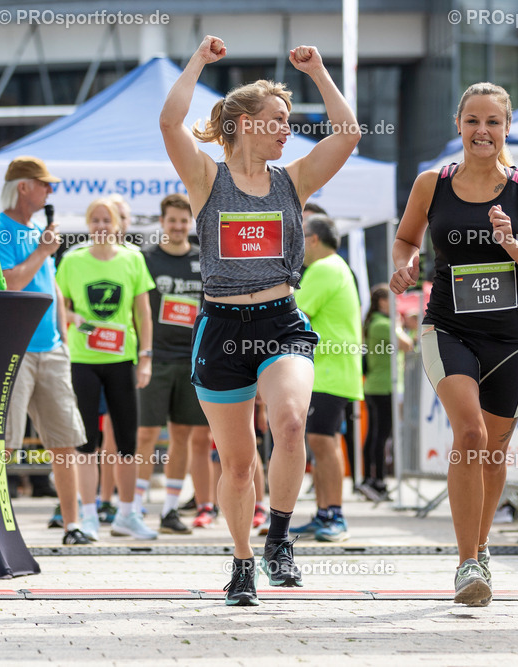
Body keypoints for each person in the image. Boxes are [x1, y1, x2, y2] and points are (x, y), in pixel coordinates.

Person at [160, 35, 359, 606]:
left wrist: (319, 72)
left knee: (292, 422)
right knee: (239, 466)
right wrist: (197, 59)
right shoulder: (206, 180)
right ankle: (242, 560)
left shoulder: (291, 182)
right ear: (243, 123)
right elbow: (170, 122)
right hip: (220, 328)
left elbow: (347, 135)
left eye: (289, 120)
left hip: (280, 322)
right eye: (276, 119)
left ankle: (279, 540)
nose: (286, 128)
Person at [390, 82, 518, 607]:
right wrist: (403, 265)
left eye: (492, 122)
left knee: (495, 447)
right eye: (472, 121)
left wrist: (512, 243)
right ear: (458, 125)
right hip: (448, 327)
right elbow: (405, 239)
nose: (481, 131)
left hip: (509, 334)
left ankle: (482, 547)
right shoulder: (430, 184)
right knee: (470, 431)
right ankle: (465, 564)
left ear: (506, 129)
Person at [0, 156, 90, 546]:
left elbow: (52, 286)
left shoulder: (34, 230)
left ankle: (73, 525)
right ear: (23, 186)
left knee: (64, 439)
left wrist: (62, 336)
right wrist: (43, 251)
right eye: (45, 184)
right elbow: (9, 283)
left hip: (50, 348)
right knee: (4, 441)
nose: (50, 191)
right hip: (14, 348)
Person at [56, 197, 157, 541]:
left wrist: (145, 357)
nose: (101, 226)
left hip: (122, 360)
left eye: (106, 220)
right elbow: (61, 309)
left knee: (127, 441)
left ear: (117, 224)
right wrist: (77, 322)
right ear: (88, 224)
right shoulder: (72, 261)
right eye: (95, 220)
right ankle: (88, 516)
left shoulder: (133, 259)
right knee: (86, 442)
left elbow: (143, 313)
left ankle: (126, 514)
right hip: (84, 361)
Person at [135, 193, 209, 535]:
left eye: (184, 220)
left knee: (183, 434)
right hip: (155, 358)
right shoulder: (145, 259)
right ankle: (134, 508)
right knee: (146, 433)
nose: (179, 226)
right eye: (172, 220)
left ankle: (169, 511)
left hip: (192, 361)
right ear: (162, 222)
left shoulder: (202, 259)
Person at [291, 213, 363, 543]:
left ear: (314, 239)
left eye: (301, 236)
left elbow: (294, 313)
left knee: (323, 441)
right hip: (330, 369)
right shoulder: (335, 267)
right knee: (322, 441)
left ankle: (335, 514)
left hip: (328, 370)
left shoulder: (324, 268)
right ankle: (325, 513)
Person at [359, 284, 414, 501]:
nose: (397, 305)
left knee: (375, 434)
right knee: (381, 436)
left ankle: (370, 480)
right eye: (393, 300)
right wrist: (400, 325)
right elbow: (407, 345)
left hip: (378, 386)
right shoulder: (383, 324)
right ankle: (377, 481)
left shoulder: (376, 322)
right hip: (384, 387)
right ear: (382, 302)